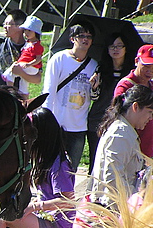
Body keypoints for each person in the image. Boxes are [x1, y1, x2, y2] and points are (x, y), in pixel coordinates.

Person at [42, 22, 98, 172]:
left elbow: (94, 97)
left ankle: (66, 196)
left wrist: (94, 87)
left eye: (89, 36)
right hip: (57, 122)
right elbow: (48, 90)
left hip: (78, 126)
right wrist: (46, 120)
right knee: (49, 167)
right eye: (81, 36)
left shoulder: (94, 65)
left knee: (70, 170)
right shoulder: (59, 59)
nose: (85, 39)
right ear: (73, 38)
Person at [89, 84, 151, 211]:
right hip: (112, 212)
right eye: (150, 112)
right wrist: (133, 206)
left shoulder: (125, 131)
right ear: (135, 107)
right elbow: (113, 180)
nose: (150, 118)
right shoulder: (120, 134)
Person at [87, 33, 135, 172]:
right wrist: (94, 88)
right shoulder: (101, 69)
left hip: (120, 121)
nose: (116, 49)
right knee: (95, 160)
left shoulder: (131, 73)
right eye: (112, 46)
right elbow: (94, 98)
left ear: (126, 49)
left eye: (120, 46)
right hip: (98, 119)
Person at [114, 44, 153, 157]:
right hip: (130, 149)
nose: (149, 71)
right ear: (137, 61)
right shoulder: (125, 85)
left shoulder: (151, 85)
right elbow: (118, 116)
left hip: (148, 149)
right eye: (146, 66)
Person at [2, 15, 44, 98]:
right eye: (25, 30)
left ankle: (9, 89)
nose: (26, 33)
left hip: (30, 66)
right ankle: (24, 97)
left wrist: (28, 64)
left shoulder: (36, 46)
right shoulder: (29, 43)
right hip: (28, 66)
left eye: (29, 31)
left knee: (11, 71)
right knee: (24, 83)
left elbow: (38, 58)